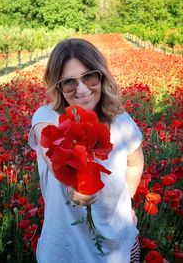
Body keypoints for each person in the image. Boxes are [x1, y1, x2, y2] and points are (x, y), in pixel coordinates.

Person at [28, 38, 144, 263]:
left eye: (89, 76)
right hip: (64, 252)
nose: (81, 89)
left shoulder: (122, 122)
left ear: (101, 76)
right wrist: (79, 185)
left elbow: (135, 163)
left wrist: (127, 202)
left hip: (119, 249)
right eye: (69, 82)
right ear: (58, 87)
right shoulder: (47, 118)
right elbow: (52, 154)